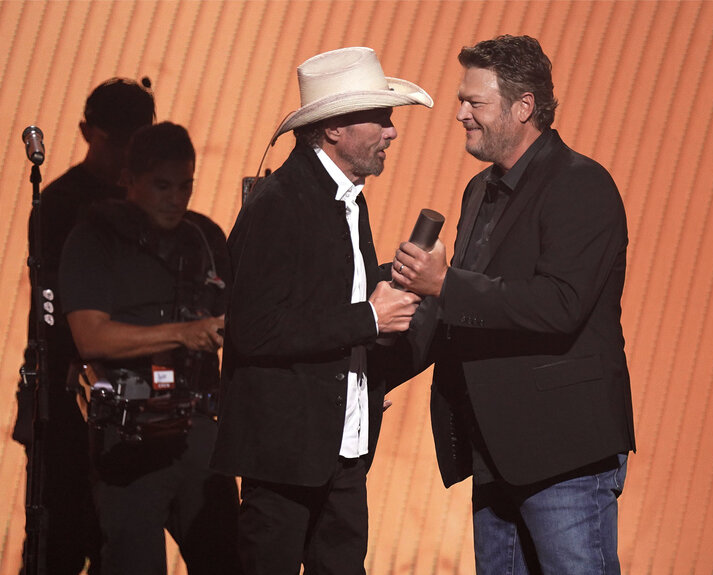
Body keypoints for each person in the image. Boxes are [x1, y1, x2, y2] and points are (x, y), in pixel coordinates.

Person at [392, 35, 636, 574]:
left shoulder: (582, 185)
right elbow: (459, 311)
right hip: (494, 448)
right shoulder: (479, 190)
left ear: (524, 106)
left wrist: (446, 285)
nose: (459, 114)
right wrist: (368, 379)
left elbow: (561, 304)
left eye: (473, 102)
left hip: (563, 454)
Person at [209, 46, 431, 574]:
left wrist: (398, 287)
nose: (391, 131)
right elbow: (254, 329)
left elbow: (324, 302)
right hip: (286, 458)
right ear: (332, 129)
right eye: (380, 118)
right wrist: (369, 318)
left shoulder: (349, 200)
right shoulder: (279, 203)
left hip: (344, 451)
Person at [59, 122, 241, 575]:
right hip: (129, 436)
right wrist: (183, 332)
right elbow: (90, 335)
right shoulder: (94, 237)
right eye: (162, 185)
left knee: (228, 561)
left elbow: (237, 319)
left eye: (186, 186)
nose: (176, 198)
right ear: (130, 179)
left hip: (200, 432)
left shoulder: (205, 237)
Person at [14, 77, 155, 574]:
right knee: (61, 541)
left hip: (131, 404)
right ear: (86, 132)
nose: (123, 154)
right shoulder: (58, 203)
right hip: (64, 402)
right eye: (115, 140)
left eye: (136, 141)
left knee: (124, 546)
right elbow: (54, 313)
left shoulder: (152, 208)